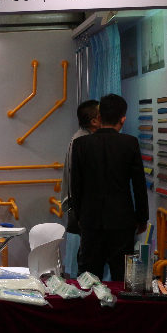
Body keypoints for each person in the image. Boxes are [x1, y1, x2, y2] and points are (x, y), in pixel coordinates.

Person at [70, 94, 149, 281]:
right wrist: (142, 218)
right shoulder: (130, 143)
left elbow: (76, 185)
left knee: (89, 277)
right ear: (123, 119)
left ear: (99, 117)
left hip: (90, 220)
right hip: (122, 221)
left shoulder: (81, 144)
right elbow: (139, 184)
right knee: (121, 277)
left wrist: (79, 216)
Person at [59, 100, 100, 277]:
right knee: (84, 259)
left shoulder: (80, 138)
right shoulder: (83, 141)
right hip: (82, 209)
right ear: (94, 121)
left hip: (79, 208)